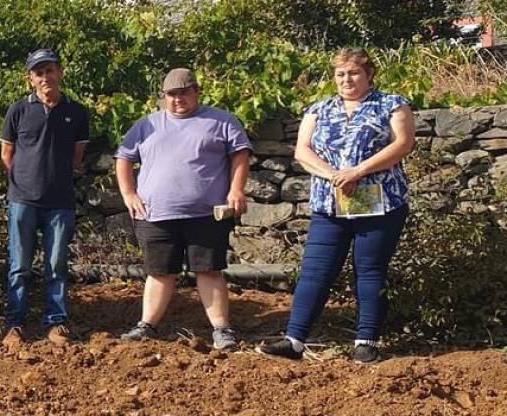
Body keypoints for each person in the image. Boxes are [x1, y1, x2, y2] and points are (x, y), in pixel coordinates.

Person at [260, 48, 415, 364]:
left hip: (379, 203)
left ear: (369, 74)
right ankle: (294, 340)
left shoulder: (392, 105)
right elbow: (302, 152)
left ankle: (366, 342)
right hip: (330, 202)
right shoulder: (319, 109)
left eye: (354, 72)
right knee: (315, 271)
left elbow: (402, 144)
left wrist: (358, 172)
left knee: (369, 270)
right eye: (341, 74)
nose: (347, 79)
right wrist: (335, 175)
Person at [116, 68, 251, 350]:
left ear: (196, 92)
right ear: (164, 96)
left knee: (209, 270)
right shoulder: (147, 125)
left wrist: (236, 189)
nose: (178, 99)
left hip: (206, 213)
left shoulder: (221, 121)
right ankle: (147, 326)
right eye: (172, 94)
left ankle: (222, 330)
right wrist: (128, 193)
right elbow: (124, 158)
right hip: (156, 214)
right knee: (159, 271)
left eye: (184, 93)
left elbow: (240, 155)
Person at [0, 49, 90, 345]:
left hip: (60, 201)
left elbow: (77, 158)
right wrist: (25, 180)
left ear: (60, 73)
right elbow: (7, 154)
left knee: (56, 265)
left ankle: (56, 323)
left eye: (50, 70)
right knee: (19, 265)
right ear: (31, 80)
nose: (45, 77)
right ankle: (15, 324)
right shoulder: (18, 110)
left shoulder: (76, 112)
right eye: (39, 73)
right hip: (23, 200)